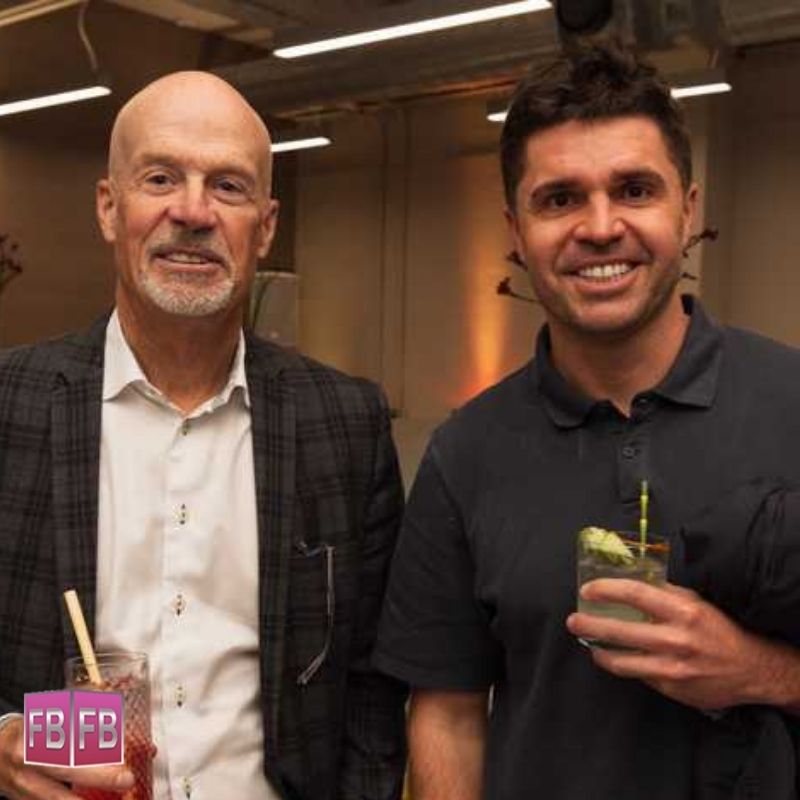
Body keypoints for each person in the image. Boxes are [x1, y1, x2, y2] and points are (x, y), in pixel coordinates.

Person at [374, 44, 800, 800]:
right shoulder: (464, 455)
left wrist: (761, 672)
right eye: (560, 199)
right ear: (516, 229)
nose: (600, 228)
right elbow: (450, 714)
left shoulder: (790, 400)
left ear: (688, 209)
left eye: (634, 189)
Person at [0, 71, 407, 800]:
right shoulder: (10, 406)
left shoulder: (347, 423)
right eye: (161, 178)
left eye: (228, 186)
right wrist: (0, 739)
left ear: (266, 225)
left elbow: (370, 688)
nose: (192, 212)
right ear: (108, 206)